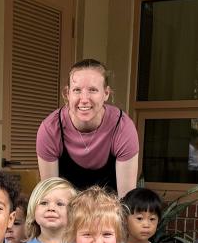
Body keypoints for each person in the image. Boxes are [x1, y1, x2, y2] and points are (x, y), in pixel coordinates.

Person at [36, 59, 139, 198]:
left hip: (111, 214)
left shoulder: (122, 127)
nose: (84, 99)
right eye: (77, 90)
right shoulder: (50, 129)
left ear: (106, 93)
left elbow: (126, 202)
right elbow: (50, 198)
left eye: (93, 90)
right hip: (66, 212)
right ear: (67, 94)